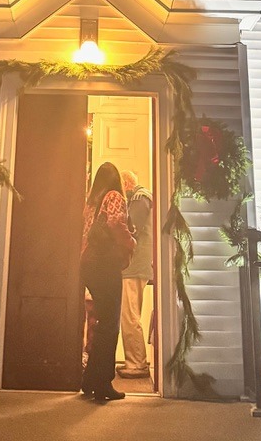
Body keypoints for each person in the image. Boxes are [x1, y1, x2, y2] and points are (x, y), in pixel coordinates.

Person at [80, 161, 134, 403]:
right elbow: (115, 224)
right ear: (116, 180)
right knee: (110, 324)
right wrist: (131, 242)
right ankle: (103, 383)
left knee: (102, 323)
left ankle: (90, 380)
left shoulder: (91, 202)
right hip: (105, 265)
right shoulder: (114, 196)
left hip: (88, 264)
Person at [118, 170, 153, 378]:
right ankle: (134, 361)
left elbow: (131, 228)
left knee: (129, 316)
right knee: (130, 315)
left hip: (133, 266)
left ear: (126, 184)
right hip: (137, 266)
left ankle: (136, 364)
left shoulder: (139, 199)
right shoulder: (143, 198)